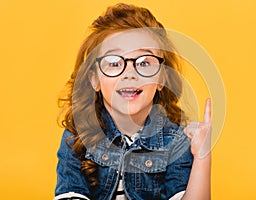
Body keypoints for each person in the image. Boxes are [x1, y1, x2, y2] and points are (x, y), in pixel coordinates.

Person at [54, 3, 212, 200]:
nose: (129, 74)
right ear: (95, 79)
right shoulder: (76, 137)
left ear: (162, 78)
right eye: (114, 63)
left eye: (144, 62)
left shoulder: (175, 140)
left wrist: (202, 156)